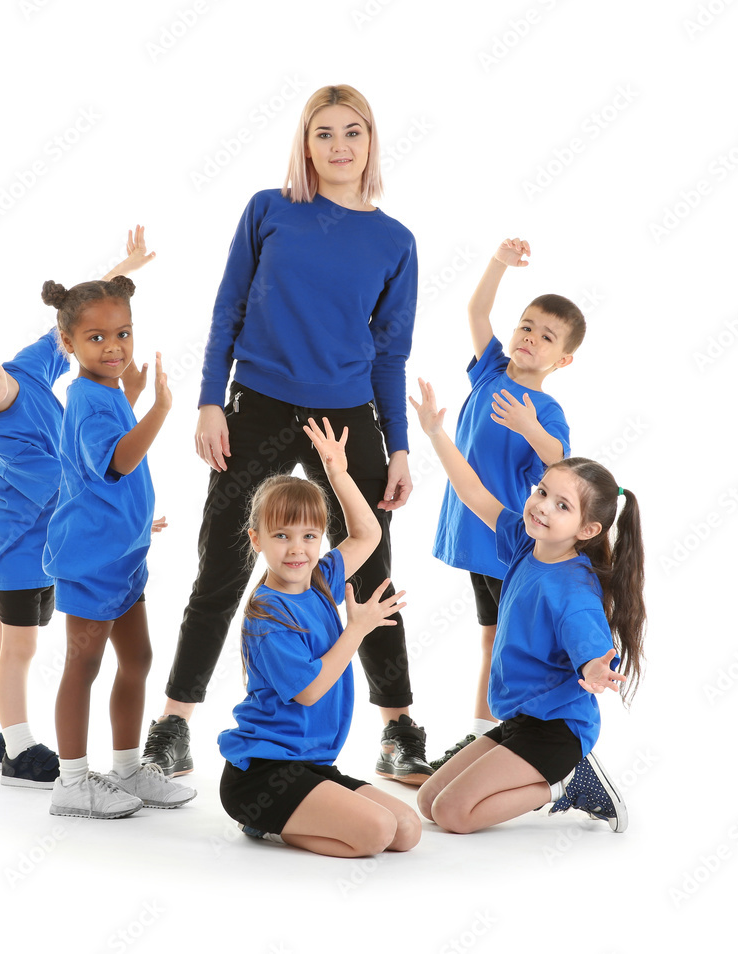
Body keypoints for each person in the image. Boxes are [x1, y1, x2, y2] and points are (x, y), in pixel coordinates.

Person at [145, 84, 432, 785]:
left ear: (371, 143)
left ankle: (398, 729)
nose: (339, 146)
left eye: (353, 133)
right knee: (223, 563)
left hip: (347, 412)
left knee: (371, 573)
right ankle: (175, 724)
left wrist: (397, 445)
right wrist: (210, 401)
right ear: (306, 144)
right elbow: (227, 310)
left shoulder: (395, 242)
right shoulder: (269, 210)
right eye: (325, 133)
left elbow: (391, 354)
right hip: (261, 403)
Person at [0, 228, 155, 790]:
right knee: (19, 646)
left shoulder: (27, 367)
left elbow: (70, 318)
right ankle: (18, 751)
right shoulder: (3, 438)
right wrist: (123, 507)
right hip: (20, 551)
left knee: (0, 637)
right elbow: (69, 482)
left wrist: (127, 268)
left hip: (48, 545)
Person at [411, 378, 645, 833]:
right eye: (541, 492)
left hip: (558, 729)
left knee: (455, 815)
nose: (541, 507)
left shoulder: (574, 591)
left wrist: (597, 669)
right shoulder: (525, 541)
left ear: (588, 530)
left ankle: (569, 783)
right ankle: (558, 779)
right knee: (428, 800)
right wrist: (436, 433)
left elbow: (594, 648)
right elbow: (473, 492)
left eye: (562, 506)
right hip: (522, 717)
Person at [218, 417, 422, 856]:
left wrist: (337, 473)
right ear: (256, 540)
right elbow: (310, 690)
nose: (297, 549)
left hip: (310, 767)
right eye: (281, 536)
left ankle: (291, 817)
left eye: (310, 536)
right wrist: (356, 629)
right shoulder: (266, 613)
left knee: (406, 830)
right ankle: (261, 822)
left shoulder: (322, 579)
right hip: (262, 775)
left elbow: (368, 533)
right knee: (374, 834)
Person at [41, 269, 195, 818]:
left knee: (139, 657)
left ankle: (128, 769)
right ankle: (72, 782)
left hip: (124, 557)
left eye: (123, 334)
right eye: (97, 338)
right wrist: (158, 408)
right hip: (90, 561)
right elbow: (118, 460)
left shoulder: (106, 389)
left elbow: (118, 408)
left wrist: (133, 391)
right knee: (81, 667)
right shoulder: (84, 399)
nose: (114, 347)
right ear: (69, 344)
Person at [428, 238, 585, 769]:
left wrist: (529, 426)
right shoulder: (491, 372)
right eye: (526, 327)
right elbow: (475, 310)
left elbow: (560, 458)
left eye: (546, 338)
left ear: (561, 359)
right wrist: (499, 262)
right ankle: (486, 736)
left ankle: (495, 737)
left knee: (504, 645)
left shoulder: (546, 407)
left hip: (507, 541)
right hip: (473, 533)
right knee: (492, 638)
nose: (530, 340)